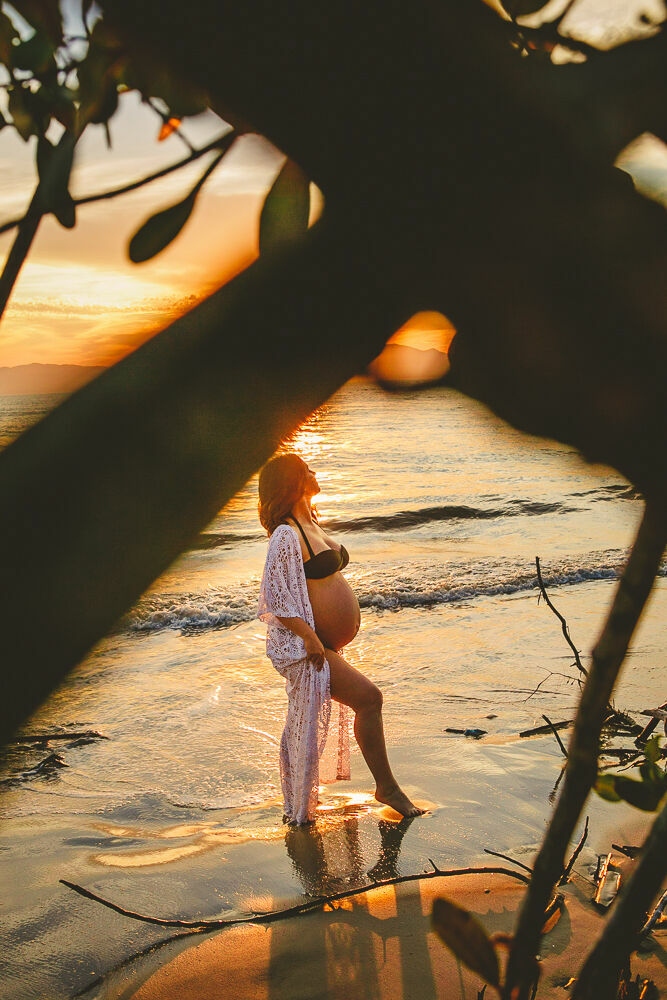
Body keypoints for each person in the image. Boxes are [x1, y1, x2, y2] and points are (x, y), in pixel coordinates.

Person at [257, 452, 424, 824]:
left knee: (368, 700)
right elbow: (276, 594)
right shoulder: (286, 533)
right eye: (306, 469)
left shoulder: (309, 523)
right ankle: (387, 787)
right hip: (309, 647)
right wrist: (308, 636)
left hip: (324, 643)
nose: (314, 472)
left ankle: (386, 786)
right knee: (370, 699)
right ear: (293, 481)